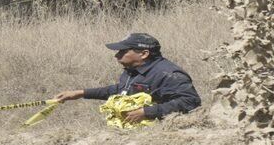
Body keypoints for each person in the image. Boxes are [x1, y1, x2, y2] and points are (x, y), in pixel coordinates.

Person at [54, 33, 201, 123]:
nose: (117, 55)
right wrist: (80, 93)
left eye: (123, 51)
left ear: (143, 54)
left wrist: (147, 112)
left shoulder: (168, 74)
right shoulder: (133, 69)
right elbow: (121, 90)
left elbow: (190, 101)